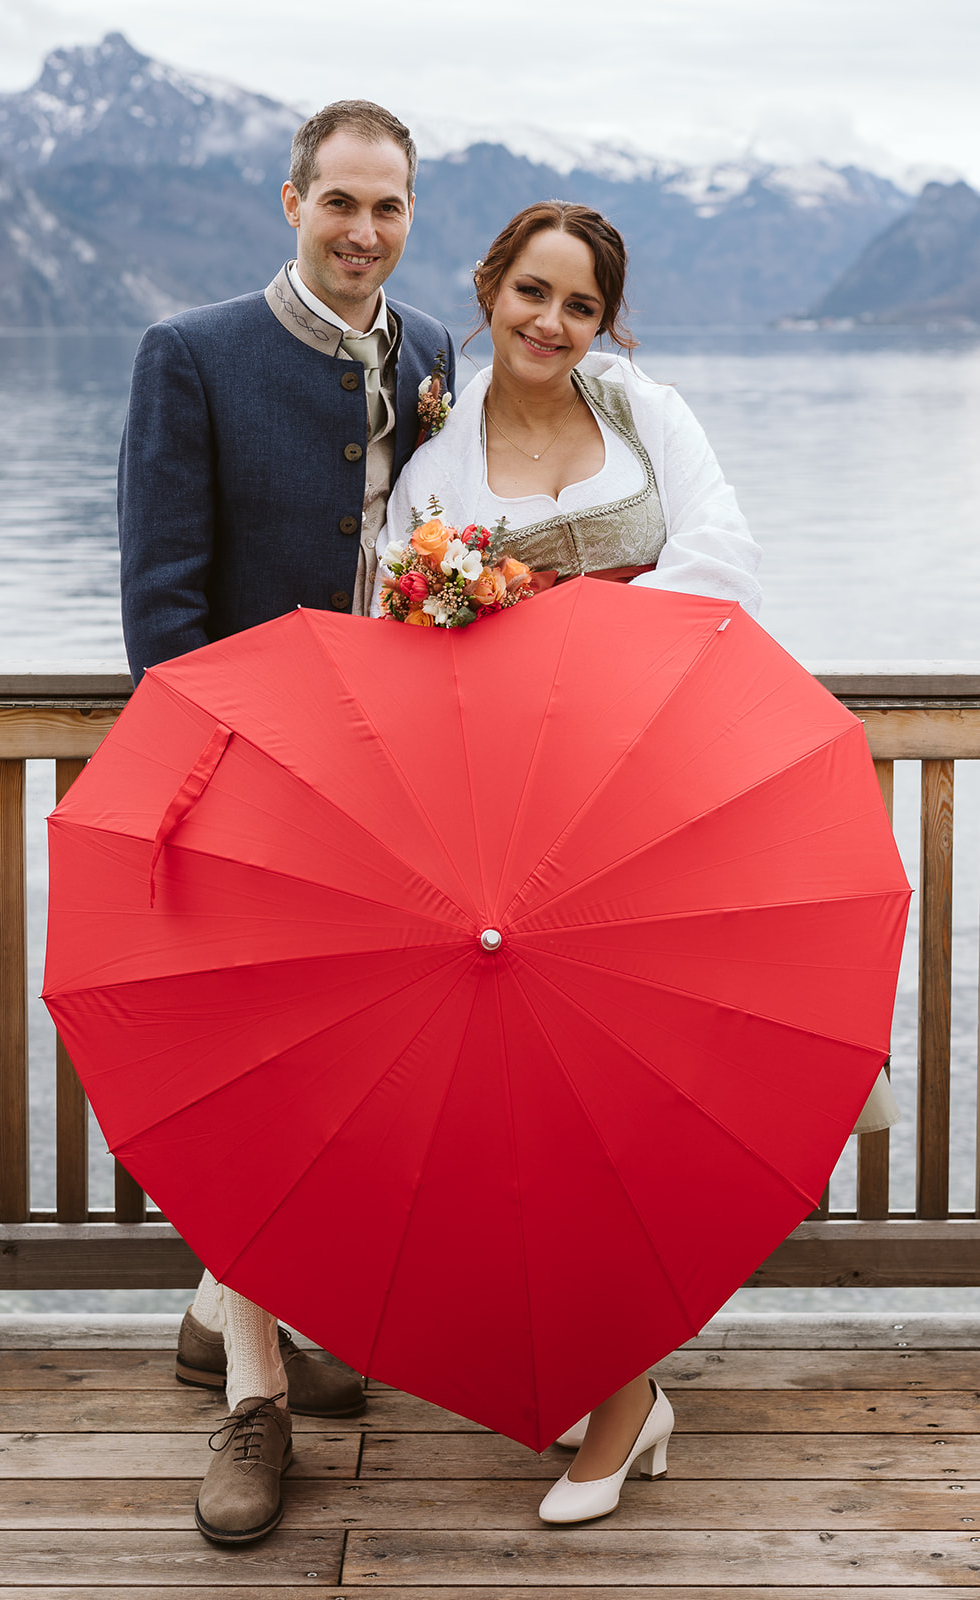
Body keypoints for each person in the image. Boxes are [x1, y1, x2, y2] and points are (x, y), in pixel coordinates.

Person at [380, 199, 900, 1525]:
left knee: (654, 1097)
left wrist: (552, 625)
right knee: (539, 1108)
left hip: (666, 796)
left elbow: (726, 560)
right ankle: (620, 1384)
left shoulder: (643, 416)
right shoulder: (439, 460)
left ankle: (623, 1399)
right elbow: (403, 624)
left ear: (607, 321)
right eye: (531, 292)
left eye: (581, 304)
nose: (552, 322)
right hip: (520, 814)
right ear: (490, 288)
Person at [118, 98, 455, 1545]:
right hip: (252, 791)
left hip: (396, 799)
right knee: (255, 1086)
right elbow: (162, 615)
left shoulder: (434, 354)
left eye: (388, 209)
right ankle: (253, 1396)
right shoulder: (189, 356)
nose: (364, 232)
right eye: (341, 205)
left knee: (354, 1085)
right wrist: (208, 793)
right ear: (290, 202)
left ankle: (216, 1306)